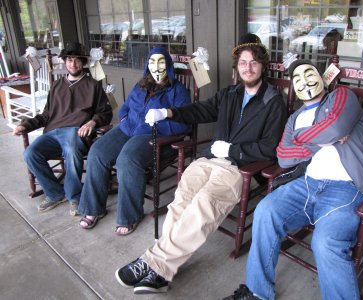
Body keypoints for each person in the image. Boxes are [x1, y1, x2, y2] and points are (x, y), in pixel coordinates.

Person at [114, 33, 287, 294]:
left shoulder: (273, 102)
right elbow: (201, 110)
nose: (248, 67)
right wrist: (168, 112)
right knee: (181, 199)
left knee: (204, 202)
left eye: (253, 62)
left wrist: (233, 149)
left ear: (262, 65)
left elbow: (270, 147)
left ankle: (153, 263)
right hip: (208, 159)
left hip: (238, 167)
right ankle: (162, 271)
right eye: (243, 62)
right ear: (237, 67)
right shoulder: (229, 94)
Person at [225, 60, 363, 300]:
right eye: (296, 79)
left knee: (326, 241)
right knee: (265, 211)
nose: (304, 81)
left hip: (347, 187)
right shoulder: (294, 119)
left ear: (322, 78)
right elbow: (283, 157)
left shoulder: (341, 96)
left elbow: (336, 127)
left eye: (309, 74)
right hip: (308, 184)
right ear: (293, 89)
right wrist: (321, 138)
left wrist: (308, 138)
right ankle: (257, 291)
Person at [77, 47, 191, 235]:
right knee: (97, 150)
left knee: (127, 159)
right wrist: (123, 120)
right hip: (127, 129)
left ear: (168, 65)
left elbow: (184, 124)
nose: (156, 67)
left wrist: (157, 125)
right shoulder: (141, 85)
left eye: (161, 62)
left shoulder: (177, 91)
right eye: (152, 62)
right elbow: (126, 107)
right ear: (147, 64)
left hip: (155, 136)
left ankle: (129, 216)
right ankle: (93, 207)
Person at [13, 42, 113, 216]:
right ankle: (55, 193)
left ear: (83, 62)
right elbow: (46, 116)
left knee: (71, 150)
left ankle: (75, 196)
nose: (72, 64)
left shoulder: (93, 85)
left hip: (76, 132)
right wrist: (25, 125)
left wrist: (92, 122)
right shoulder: (57, 86)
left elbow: (106, 112)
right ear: (64, 62)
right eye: (69, 60)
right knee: (30, 154)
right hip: (53, 132)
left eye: (76, 60)